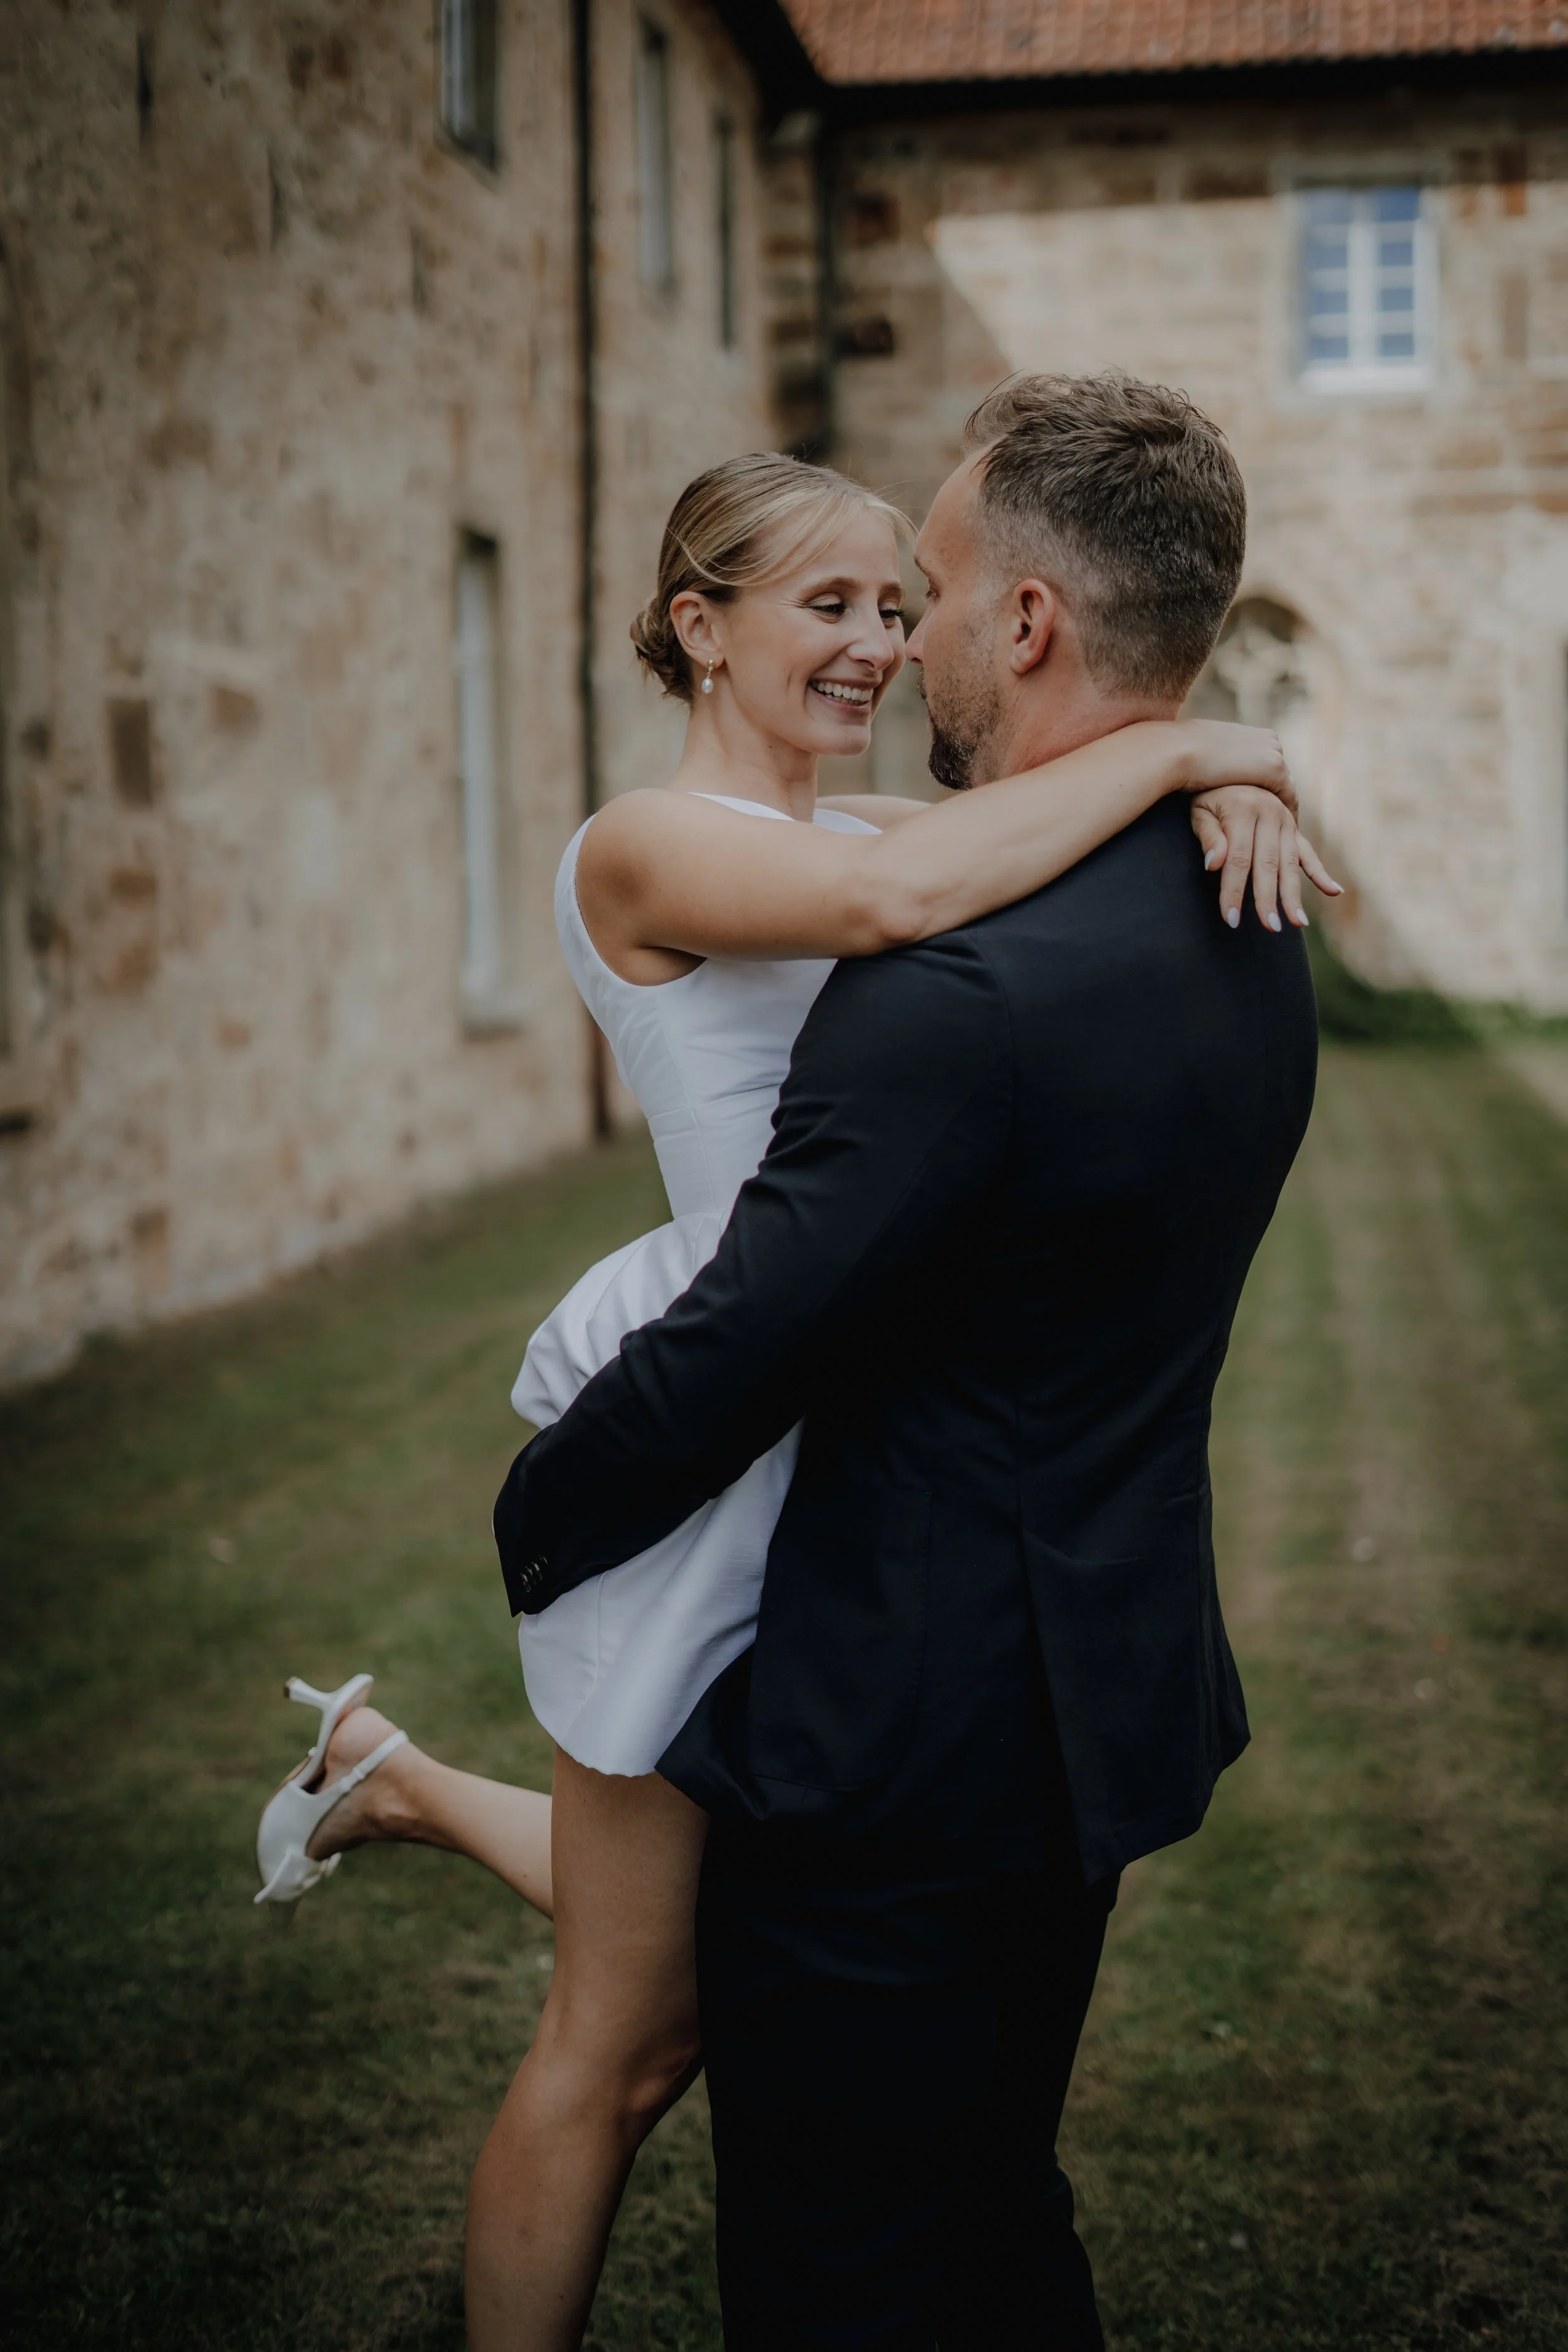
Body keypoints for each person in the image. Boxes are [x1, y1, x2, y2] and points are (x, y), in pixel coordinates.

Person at [257, 417, 1330, 2349]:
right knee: (621, 2033)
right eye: (828, 602)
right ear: (701, 625)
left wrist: (1216, 782)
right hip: (713, 1413)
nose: (882, 641)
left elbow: (1009, 853)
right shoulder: (652, 841)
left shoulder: (869, 826)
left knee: (678, 1965)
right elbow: (916, 908)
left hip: (845, 1415)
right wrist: (1191, 744)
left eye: (899, 603)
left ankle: (394, 1781)